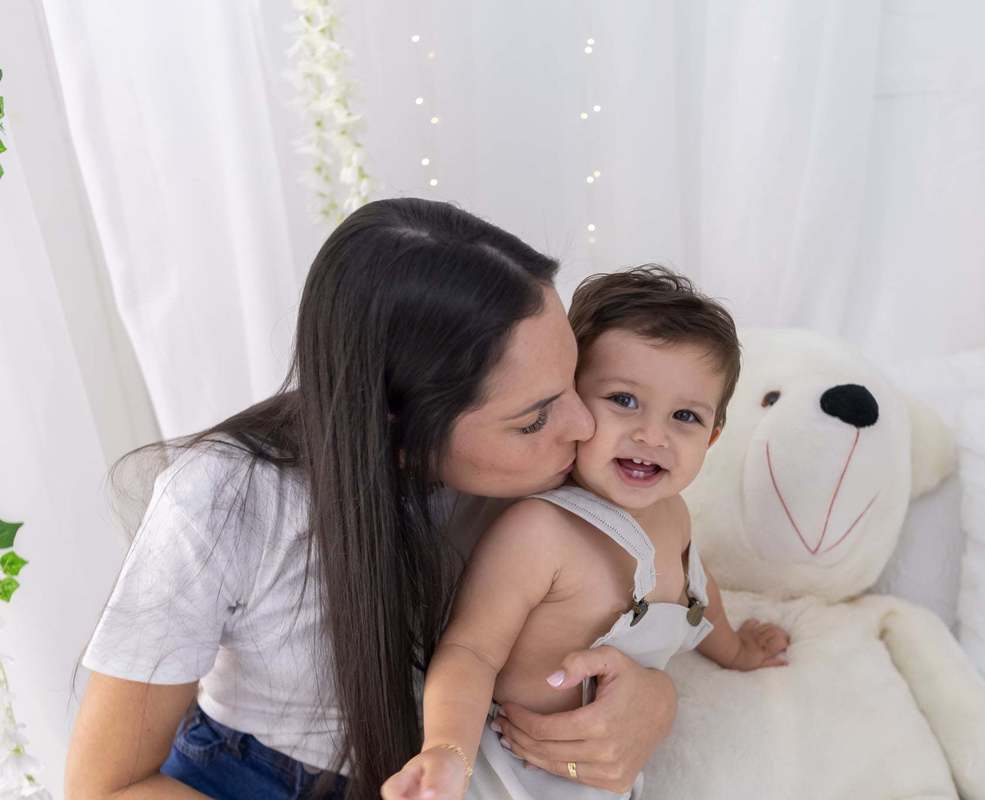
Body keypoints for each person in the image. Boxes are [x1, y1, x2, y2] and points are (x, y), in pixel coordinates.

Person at [65, 199, 680, 800]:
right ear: (395, 422)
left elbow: (670, 589)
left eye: (573, 381)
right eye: (532, 419)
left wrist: (654, 699)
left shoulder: (566, 469)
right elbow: (104, 786)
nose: (585, 425)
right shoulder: (226, 501)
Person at [383, 267, 791, 800]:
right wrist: (445, 750)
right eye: (623, 399)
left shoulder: (674, 513)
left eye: (685, 416)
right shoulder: (540, 530)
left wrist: (734, 649)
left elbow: (696, 590)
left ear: (712, 438)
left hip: (602, 777)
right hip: (505, 776)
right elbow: (470, 651)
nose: (652, 435)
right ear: (569, 401)